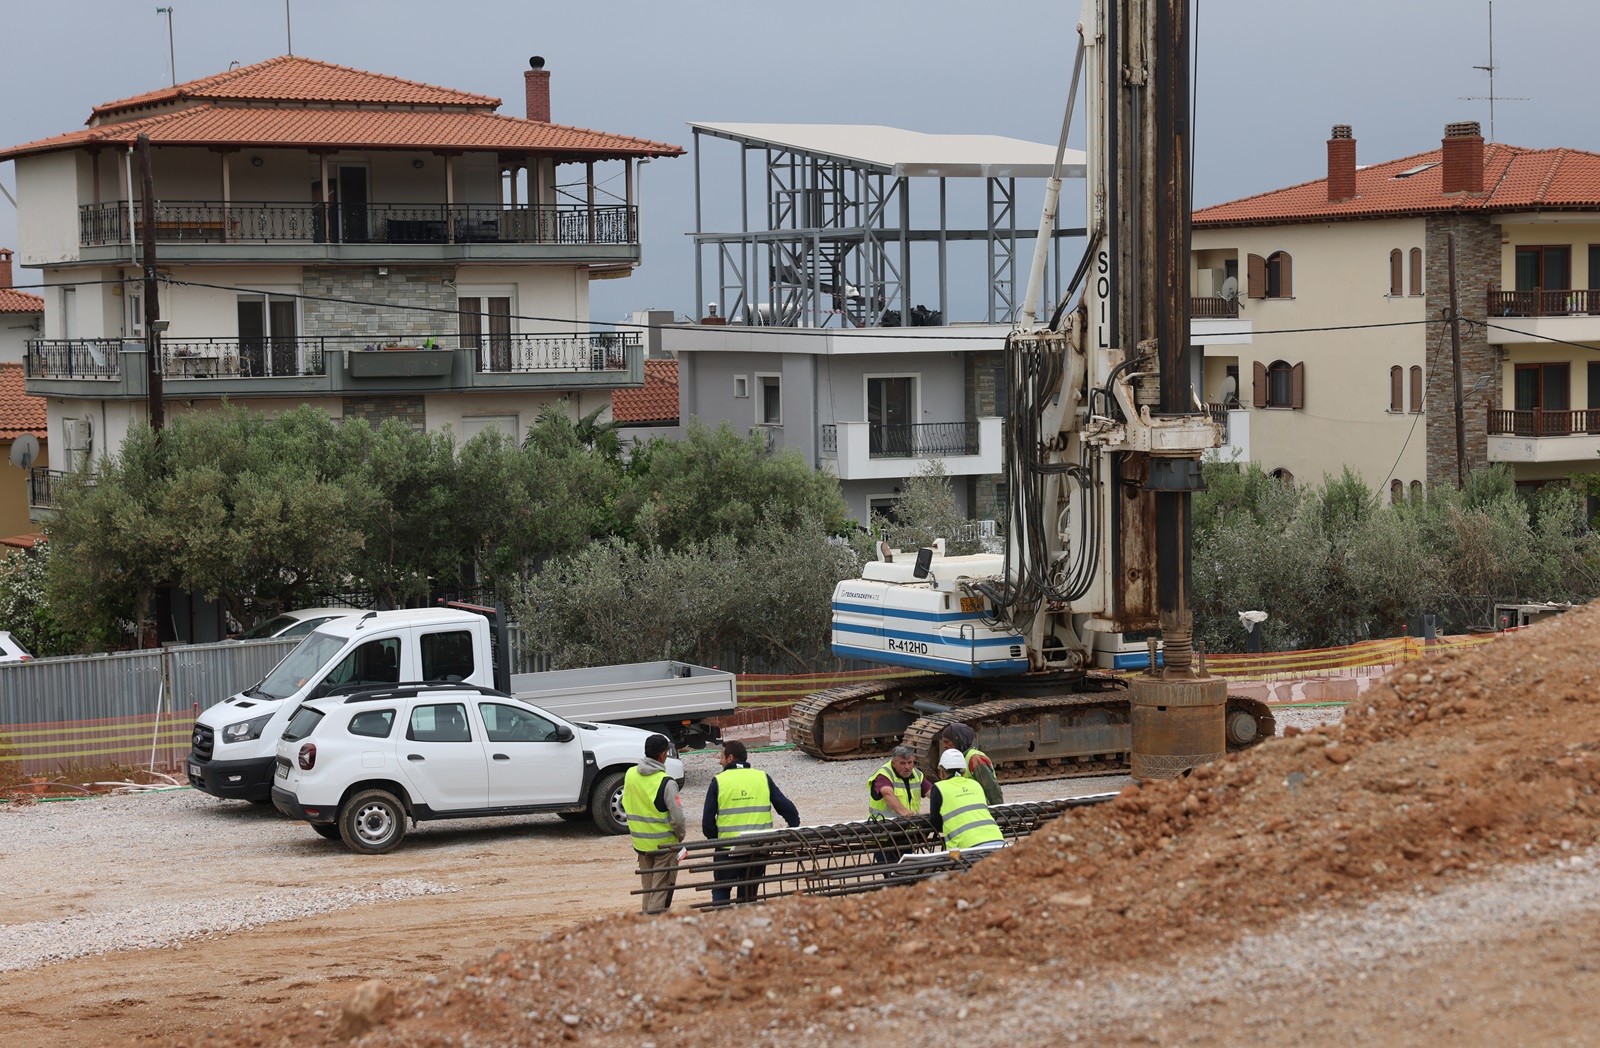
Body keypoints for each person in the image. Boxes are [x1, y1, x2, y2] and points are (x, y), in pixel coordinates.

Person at [702, 740, 801, 904]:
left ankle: (721, 925)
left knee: (721, 889)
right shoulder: (762, 777)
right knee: (748, 892)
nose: (720, 761)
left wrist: (718, 841)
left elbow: (707, 822)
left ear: (731, 758)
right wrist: (793, 825)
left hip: (728, 849)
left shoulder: (719, 781)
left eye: (721, 757)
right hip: (758, 848)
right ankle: (745, 925)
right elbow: (787, 808)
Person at [621, 734, 685, 914]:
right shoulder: (666, 782)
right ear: (663, 755)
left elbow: (627, 802)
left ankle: (644, 923)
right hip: (664, 846)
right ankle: (653, 926)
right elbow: (678, 818)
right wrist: (680, 836)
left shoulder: (630, 774)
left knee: (648, 888)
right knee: (659, 889)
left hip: (640, 844)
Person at [928, 748, 1005, 853]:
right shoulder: (975, 785)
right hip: (997, 839)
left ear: (942, 771)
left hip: (967, 847)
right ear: (963, 771)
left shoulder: (939, 788)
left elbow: (935, 821)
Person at [938, 722, 1004, 805]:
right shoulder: (955, 758)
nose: (944, 745)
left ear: (958, 739)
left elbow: (991, 788)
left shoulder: (975, 759)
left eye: (947, 742)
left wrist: (999, 810)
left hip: (981, 809)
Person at [867, 744, 932, 820]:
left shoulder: (917, 774)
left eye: (910, 762)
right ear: (893, 763)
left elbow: (932, 793)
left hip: (909, 826)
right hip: (884, 826)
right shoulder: (884, 775)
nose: (907, 767)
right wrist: (904, 812)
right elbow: (887, 793)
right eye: (902, 763)